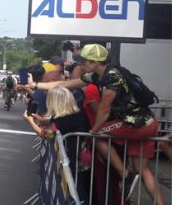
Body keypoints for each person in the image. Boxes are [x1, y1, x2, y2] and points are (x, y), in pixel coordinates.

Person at [28, 44, 163, 204]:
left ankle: (126, 175)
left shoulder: (112, 77)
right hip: (146, 122)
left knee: (97, 137)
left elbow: (104, 109)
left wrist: (94, 130)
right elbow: (64, 85)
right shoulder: (98, 76)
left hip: (136, 124)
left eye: (84, 62)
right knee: (142, 169)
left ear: (95, 62)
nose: (81, 65)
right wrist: (36, 85)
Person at [23, 86, 91, 202]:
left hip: (73, 159)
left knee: (76, 191)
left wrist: (30, 121)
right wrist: (42, 120)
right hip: (79, 158)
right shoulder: (76, 114)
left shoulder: (65, 120)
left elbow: (45, 134)